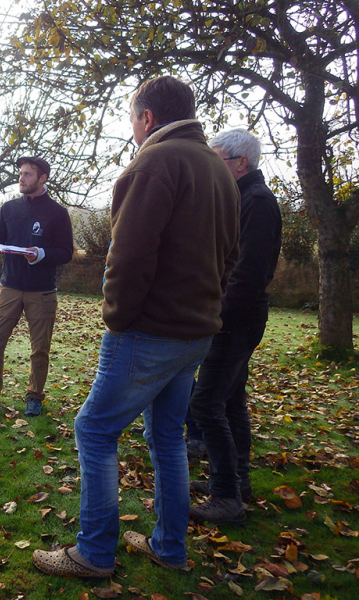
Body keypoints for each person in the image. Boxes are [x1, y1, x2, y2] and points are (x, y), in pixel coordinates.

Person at [32, 76, 240, 579]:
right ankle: (169, 547)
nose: (131, 130)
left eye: (131, 119)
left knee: (94, 428)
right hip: (196, 333)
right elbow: (230, 255)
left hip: (148, 331)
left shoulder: (155, 162)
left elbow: (127, 257)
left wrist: (118, 319)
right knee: (167, 437)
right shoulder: (217, 167)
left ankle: (94, 553)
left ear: (147, 118)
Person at [188, 129, 282, 525]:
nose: (214, 168)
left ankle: (226, 496)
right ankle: (237, 482)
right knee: (230, 402)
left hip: (234, 321)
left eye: (219, 160)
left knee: (205, 404)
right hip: (234, 318)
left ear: (240, 163)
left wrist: (218, 317)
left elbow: (249, 274)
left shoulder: (257, 203)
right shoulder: (242, 198)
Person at [0, 157, 74, 417]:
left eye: (27, 174)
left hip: (42, 291)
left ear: (42, 177)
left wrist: (42, 254)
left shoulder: (57, 213)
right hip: (9, 287)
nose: (21, 179)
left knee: (39, 349)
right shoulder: (9, 208)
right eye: (20, 174)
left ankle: (34, 396)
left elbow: (67, 252)